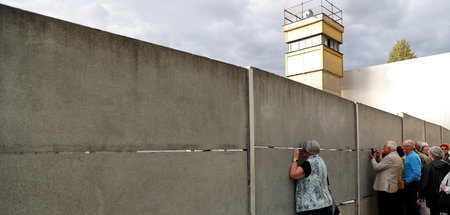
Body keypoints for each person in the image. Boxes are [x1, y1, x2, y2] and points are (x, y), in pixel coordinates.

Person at [290, 140, 333, 215]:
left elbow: (293, 174)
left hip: (313, 208)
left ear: (305, 151)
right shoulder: (321, 161)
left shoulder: (308, 164)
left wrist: (295, 158)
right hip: (327, 204)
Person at [370, 141, 403, 215]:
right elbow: (385, 166)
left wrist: (372, 159)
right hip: (391, 187)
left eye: (384, 147)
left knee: (384, 209)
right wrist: (378, 157)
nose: (383, 148)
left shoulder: (390, 157)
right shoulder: (396, 156)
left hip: (386, 188)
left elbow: (377, 167)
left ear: (389, 148)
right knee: (390, 209)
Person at [418, 146, 450, 215]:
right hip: (445, 196)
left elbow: (424, 184)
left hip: (432, 197)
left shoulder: (428, 167)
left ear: (431, 155)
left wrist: (420, 197)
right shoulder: (448, 165)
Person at [401, 139, 421, 215]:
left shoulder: (412, 157)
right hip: (410, 185)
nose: (402, 148)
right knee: (410, 208)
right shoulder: (409, 156)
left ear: (410, 147)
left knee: (412, 208)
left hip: (411, 185)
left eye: (404, 146)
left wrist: (407, 181)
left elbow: (417, 173)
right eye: (402, 146)